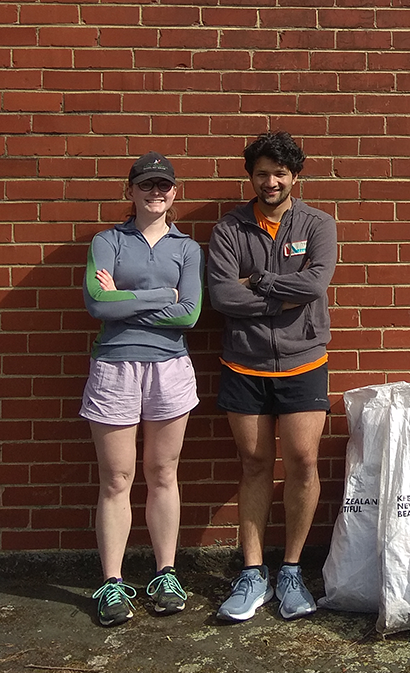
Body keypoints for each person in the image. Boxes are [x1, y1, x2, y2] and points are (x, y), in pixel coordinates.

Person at [207, 131, 337, 622]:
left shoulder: (318, 224)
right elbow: (221, 296)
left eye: (280, 173)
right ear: (251, 177)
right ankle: (253, 572)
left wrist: (258, 281)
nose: (271, 181)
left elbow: (315, 284)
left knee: (302, 461)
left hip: (305, 360)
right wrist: (285, 293)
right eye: (262, 173)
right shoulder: (230, 229)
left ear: (294, 176)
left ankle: (291, 570)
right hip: (243, 362)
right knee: (255, 462)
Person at [81, 152, 203, 626]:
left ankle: (164, 574)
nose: (157, 193)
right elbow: (97, 304)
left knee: (162, 473)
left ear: (175, 193)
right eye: (147, 185)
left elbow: (190, 314)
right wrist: (159, 298)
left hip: (170, 368)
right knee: (115, 479)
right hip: (114, 368)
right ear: (129, 190)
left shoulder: (188, 249)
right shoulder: (107, 240)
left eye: (165, 186)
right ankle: (112, 582)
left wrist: (125, 299)